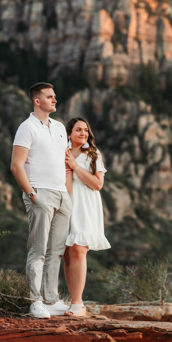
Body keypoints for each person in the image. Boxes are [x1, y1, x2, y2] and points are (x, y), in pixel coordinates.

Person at [10, 83, 72, 319]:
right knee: (38, 250)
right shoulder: (27, 128)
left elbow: (65, 163)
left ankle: (50, 299)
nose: (55, 100)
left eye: (54, 96)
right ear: (37, 101)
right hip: (40, 193)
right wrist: (32, 195)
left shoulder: (58, 128)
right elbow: (16, 166)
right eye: (49, 96)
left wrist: (68, 195)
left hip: (61, 195)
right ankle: (34, 300)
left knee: (56, 250)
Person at [64, 117, 110, 316]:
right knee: (67, 253)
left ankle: (77, 304)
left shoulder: (92, 153)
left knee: (79, 251)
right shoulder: (62, 152)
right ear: (69, 134)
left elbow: (98, 184)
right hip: (66, 202)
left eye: (85, 129)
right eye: (78, 129)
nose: (83, 133)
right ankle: (72, 302)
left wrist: (75, 166)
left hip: (85, 204)